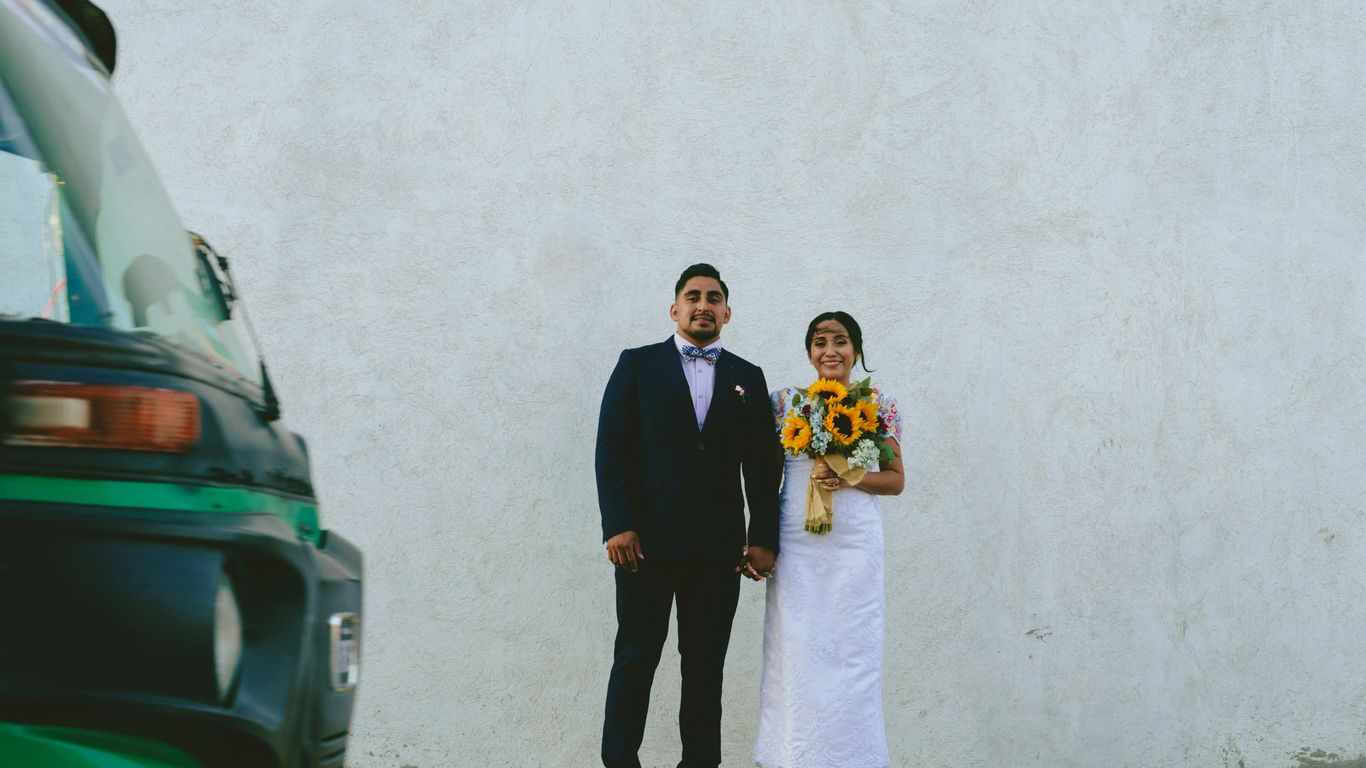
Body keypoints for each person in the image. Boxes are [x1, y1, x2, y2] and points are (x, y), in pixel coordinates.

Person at [596, 263, 782, 768]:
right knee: (636, 660)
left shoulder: (748, 377)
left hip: (718, 549)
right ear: (675, 308)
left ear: (727, 311)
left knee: (704, 669)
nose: (704, 305)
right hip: (644, 547)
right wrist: (618, 524)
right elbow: (611, 448)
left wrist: (763, 536)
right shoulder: (636, 365)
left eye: (714, 297)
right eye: (693, 296)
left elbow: (763, 468)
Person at [753, 311, 905, 768]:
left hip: (854, 542)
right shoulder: (784, 403)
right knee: (796, 650)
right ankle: (793, 755)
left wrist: (851, 474)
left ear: (857, 350)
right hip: (797, 541)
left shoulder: (878, 404)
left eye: (840, 341)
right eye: (820, 342)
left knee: (852, 649)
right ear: (809, 353)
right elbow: (763, 475)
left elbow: (895, 480)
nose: (830, 350)